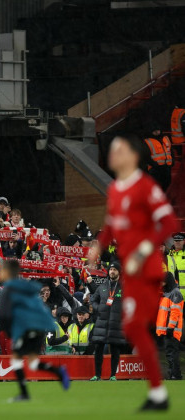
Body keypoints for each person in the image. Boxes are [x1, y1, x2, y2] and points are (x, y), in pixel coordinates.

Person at [90, 133, 178, 411]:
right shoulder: (116, 189)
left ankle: (158, 392)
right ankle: (158, 393)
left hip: (147, 267)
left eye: (119, 151)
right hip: (130, 271)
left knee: (135, 325)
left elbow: (169, 223)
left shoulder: (146, 186)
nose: (113, 155)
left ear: (132, 157)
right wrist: (98, 247)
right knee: (132, 327)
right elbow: (112, 225)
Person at [0, 259, 70, 402]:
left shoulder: (9, 289)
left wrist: (6, 331)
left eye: (0, 270)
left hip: (27, 328)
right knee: (32, 362)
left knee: (16, 358)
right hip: (39, 327)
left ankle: (24, 393)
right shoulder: (26, 287)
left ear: (6, 272)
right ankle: (58, 372)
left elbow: (3, 314)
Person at [89, 264, 125, 381]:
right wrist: (98, 308)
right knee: (98, 348)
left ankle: (113, 375)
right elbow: (93, 299)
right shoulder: (102, 286)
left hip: (115, 322)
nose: (112, 272)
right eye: (110, 270)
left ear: (119, 272)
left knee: (115, 349)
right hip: (101, 322)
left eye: (114, 269)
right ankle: (97, 375)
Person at [156, 269, 182, 380]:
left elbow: (175, 312)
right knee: (170, 353)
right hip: (167, 329)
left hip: (172, 330)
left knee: (172, 353)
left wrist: (170, 328)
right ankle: (174, 374)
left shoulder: (175, 293)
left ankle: (175, 374)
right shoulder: (167, 293)